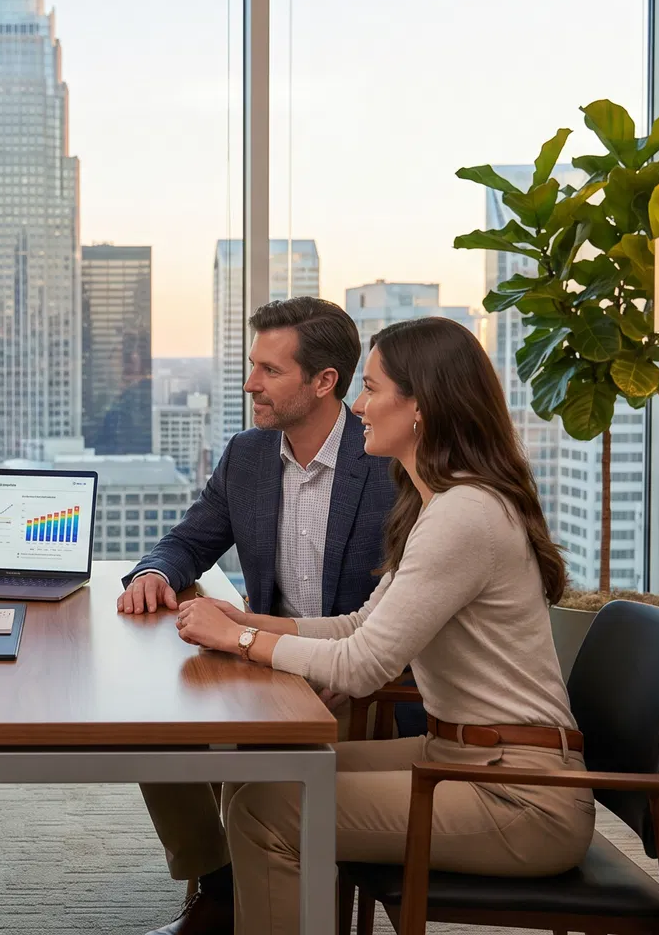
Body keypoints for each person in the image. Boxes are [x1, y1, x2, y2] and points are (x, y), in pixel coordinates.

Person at [174, 315, 595, 935]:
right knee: (256, 779)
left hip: (520, 795)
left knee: (267, 810)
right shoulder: (443, 504)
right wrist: (246, 618)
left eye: (370, 389)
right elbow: (355, 627)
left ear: (420, 406)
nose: (360, 405)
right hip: (459, 755)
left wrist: (238, 639)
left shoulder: (463, 517)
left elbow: (364, 666)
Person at [116, 296, 420, 935]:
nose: (250, 383)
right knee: (152, 724)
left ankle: (266, 881)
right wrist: (152, 573)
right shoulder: (249, 455)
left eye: (269, 370)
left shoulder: (393, 460)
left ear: (324, 382)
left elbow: (406, 613)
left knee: (256, 782)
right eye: (251, 365)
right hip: (268, 661)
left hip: (361, 685)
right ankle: (222, 887)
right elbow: (188, 541)